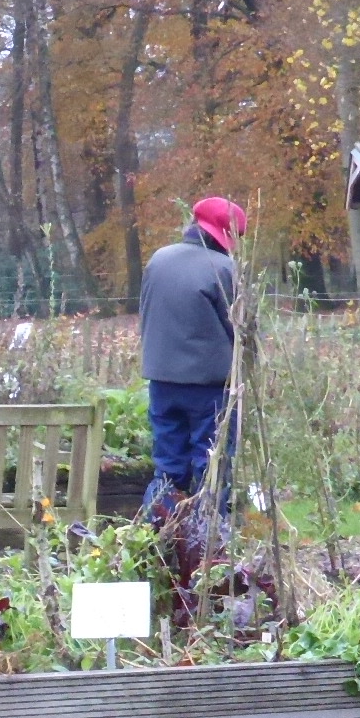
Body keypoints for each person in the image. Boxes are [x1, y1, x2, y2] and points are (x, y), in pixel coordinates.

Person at [138, 195, 247, 522]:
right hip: (210, 388)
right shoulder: (224, 269)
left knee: (168, 468)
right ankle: (209, 544)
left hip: (161, 382)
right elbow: (241, 330)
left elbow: (145, 313)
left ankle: (154, 538)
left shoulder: (158, 260)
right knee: (211, 466)